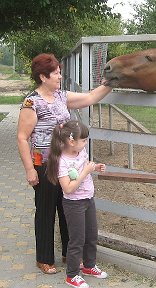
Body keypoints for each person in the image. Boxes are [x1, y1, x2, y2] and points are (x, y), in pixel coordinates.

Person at [17, 53, 112, 274]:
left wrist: (110, 84)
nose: (60, 76)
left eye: (60, 72)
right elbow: (22, 137)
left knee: (68, 207)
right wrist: (30, 169)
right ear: (43, 76)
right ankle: (44, 259)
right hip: (45, 165)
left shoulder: (61, 96)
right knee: (46, 211)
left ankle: (69, 255)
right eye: (56, 73)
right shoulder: (32, 102)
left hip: (67, 163)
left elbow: (89, 98)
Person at [47, 120, 107, 288]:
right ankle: (72, 275)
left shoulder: (81, 152)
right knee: (77, 240)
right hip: (74, 204)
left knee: (91, 235)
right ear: (71, 141)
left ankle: (89, 266)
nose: (85, 143)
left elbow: (86, 167)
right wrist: (85, 172)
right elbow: (68, 188)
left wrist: (95, 167)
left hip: (88, 199)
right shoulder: (62, 161)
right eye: (83, 140)